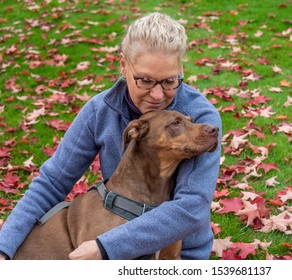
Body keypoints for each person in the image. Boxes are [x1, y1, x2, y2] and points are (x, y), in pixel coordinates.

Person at [0, 12, 222, 260]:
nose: (158, 95)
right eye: (146, 81)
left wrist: (107, 247)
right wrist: (3, 248)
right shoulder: (100, 111)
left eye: (170, 81)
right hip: (117, 229)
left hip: (180, 254)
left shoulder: (200, 118)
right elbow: (52, 183)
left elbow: (191, 208)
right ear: (123, 65)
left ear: (181, 70)